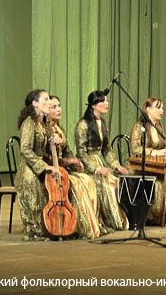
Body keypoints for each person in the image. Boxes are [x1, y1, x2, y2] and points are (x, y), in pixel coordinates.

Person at [129, 97, 166, 226]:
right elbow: (135, 149)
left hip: (159, 165)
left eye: (162, 108)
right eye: (158, 108)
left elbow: (164, 144)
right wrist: (154, 152)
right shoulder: (139, 127)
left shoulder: (158, 127)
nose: (161, 111)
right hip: (145, 168)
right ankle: (157, 216)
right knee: (162, 180)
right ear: (148, 109)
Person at [75, 90, 128, 233]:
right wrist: (97, 169)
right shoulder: (83, 124)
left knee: (117, 182)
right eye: (103, 101)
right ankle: (101, 221)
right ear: (93, 105)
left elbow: (107, 149)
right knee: (106, 186)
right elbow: (81, 153)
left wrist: (117, 165)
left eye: (107, 100)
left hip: (99, 161)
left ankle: (117, 220)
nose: (106, 103)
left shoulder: (103, 123)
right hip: (88, 165)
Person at [48, 95, 100, 238]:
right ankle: (78, 225)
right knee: (78, 182)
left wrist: (75, 161)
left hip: (63, 167)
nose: (58, 109)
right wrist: (67, 162)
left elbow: (67, 151)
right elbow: (49, 158)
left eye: (59, 106)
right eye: (54, 107)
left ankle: (91, 223)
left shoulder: (60, 129)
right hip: (53, 170)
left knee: (87, 180)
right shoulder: (46, 130)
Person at [15, 89, 56, 240]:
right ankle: (33, 230)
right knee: (36, 193)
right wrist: (44, 166)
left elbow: (44, 152)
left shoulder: (43, 124)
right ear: (35, 104)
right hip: (29, 170)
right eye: (45, 99)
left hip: (39, 168)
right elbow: (25, 150)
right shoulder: (29, 123)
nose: (49, 102)